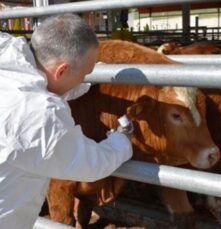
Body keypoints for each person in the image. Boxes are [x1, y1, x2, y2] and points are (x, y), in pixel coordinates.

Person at [0, 13, 133, 228]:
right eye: (85, 74)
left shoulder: (7, 53)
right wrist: (122, 140)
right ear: (62, 70)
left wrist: (83, 82)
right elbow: (89, 163)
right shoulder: (37, 113)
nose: (86, 78)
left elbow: (44, 83)